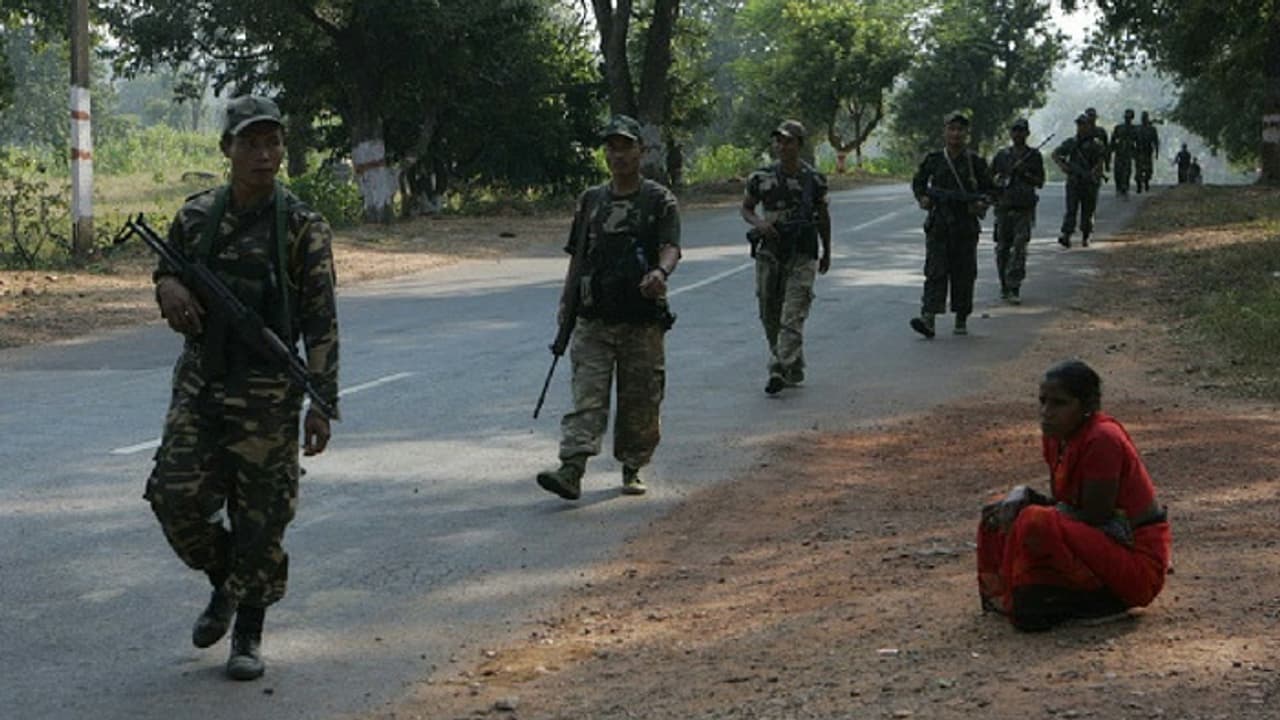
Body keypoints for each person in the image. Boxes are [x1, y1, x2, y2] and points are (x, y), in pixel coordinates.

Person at [146, 95, 341, 680]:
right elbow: (169, 267)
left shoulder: (303, 227)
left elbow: (321, 322)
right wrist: (167, 289)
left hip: (268, 393)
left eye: (272, 142)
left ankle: (248, 634)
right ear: (226, 149)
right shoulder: (196, 216)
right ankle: (229, 582)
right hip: (202, 383)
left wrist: (321, 403)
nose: (264, 155)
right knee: (173, 497)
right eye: (251, 143)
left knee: (262, 517)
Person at [536, 114, 680, 500]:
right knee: (587, 396)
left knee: (641, 400)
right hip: (594, 317)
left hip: (641, 319)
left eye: (626, 146)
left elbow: (671, 246)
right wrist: (566, 302)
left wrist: (660, 273)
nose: (618, 155)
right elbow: (578, 255)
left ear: (640, 151)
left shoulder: (658, 200)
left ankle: (633, 466)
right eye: (611, 147)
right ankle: (572, 468)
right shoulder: (591, 200)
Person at [976, 360, 1171, 631]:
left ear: (1087, 406)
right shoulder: (1058, 437)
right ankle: (1038, 594)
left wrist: (1033, 507)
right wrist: (1026, 498)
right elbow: (1068, 506)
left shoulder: (1102, 438)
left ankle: (1101, 599)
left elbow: (1096, 516)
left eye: (1059, 403)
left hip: (1136, 561)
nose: (1046, 412)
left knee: (1034, 520)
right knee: (998, 510)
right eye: (1043, 402)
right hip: (1099, 542)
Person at [740, 119, 833, 393]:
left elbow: (823, 216)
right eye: (778, 141)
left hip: (803, 252)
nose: (782, 146)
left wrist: (827, 251)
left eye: (788, 141)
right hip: (771, 252)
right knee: (769, 310)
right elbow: (746, 208)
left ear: (799, 144)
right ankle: (792, 363)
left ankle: (778, 367)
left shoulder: (814, 179)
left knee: (793, 312)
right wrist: (760, 224)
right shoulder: (761, 177)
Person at [910, 111, 994, 338]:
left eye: (960, 129)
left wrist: (981, 204)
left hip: (965, 226)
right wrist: (923, 198)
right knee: (935, 271)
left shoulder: (975, 162)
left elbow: (990, 190)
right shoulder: (934, 159)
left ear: (966, 133)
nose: (956, 134)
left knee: (964, 273)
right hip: (939, 224)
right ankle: (928, 318)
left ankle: (961, 317)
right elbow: (918, 182)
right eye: (952, 129)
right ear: (945, 132)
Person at [990, 118, 1045, 305]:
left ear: (1027, 133)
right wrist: (998, 182)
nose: (1018, 134)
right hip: (1004, 207)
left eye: (1021, 131)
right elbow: (990, 179)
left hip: (1024, 208)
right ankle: (1004, 285)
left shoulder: (1034, 156)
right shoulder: (1002, 156)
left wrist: (1024, 172)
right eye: (1015, 130)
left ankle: (1014, 286)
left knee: (1019, 247)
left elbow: (1040, 182)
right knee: (1002, 248)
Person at [1052, 114, 1107, 248]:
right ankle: (1066, 235)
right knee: (1071, 209)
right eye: (1079, 124)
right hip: (1074, 181)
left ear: (1089, 126)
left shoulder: (1096, 145)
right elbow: (1056, 154)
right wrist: (1063, 166)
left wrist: (1094, 174)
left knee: (1088, 210)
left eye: (1084, 124)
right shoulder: (1071, 143)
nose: (1081, 127)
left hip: (1089, 182)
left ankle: (1086, 235)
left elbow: (1100, 162)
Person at [1110, 109, 1138, 197]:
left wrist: (1135, 152)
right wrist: (1111, 150)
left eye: (1129, 117)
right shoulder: (1119, 128)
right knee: (1118, 171)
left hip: (1128, 152)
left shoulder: (1134, 129)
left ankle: (1125, 187)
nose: (1127, 119)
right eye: (1126, 117)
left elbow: (1138, 141)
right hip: (1119, 151)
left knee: (1127, 170)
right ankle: (1118, 187)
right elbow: (1113, 139)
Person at [1134, 111, 1160, 193]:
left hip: (1148, 152)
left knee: (1148, 170)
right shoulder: (1137, 128)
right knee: (1138, 170)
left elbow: (1156, 141)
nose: (1144, 119)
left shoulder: (1152, 129)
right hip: (1139, 151)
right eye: (1143, 117)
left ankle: (1146, 181)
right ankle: (1139, 185)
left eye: (1145, 117)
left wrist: (1157, 152)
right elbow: (1133, 139)